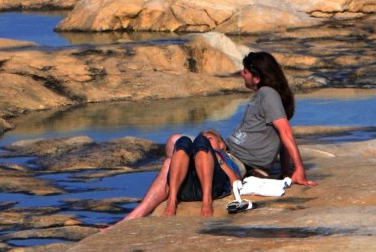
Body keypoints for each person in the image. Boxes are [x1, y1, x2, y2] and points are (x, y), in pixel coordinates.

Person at [118, 50, 313, 220]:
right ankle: (155, 201)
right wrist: (287, 169)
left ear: (257, 77)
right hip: (229, 153)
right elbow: (280, 135)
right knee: (175, 142)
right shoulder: (264, 96)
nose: (241, 74)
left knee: (173, 157)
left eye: (245, 71)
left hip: (236, 161)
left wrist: (299, 170)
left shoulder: (268, 94)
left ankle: (141, 212)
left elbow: (285, 131)